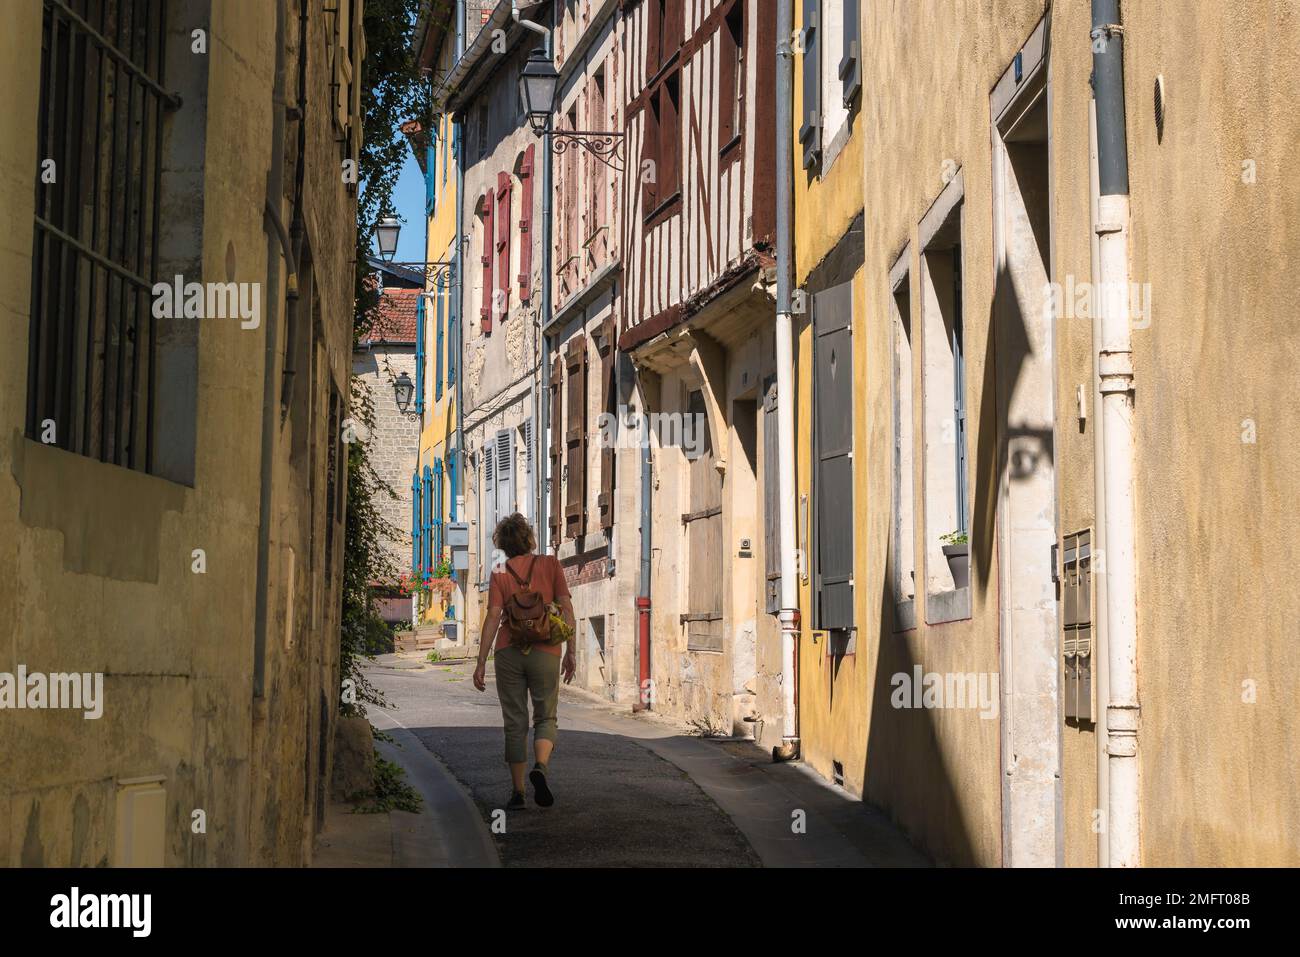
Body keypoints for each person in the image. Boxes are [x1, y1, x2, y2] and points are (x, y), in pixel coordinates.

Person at [472, 512, 576, 810]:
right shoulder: (550, 564)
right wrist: (572, 650)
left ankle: (518, 793)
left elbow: (493, 616)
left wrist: (480, 661)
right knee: (545, 716)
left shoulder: (499, 571)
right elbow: (566, 607)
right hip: (545, 649)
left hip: (509, 650)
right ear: (528, 539)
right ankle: (540, 767)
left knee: (514, 722)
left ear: (502, 544)